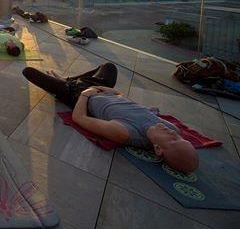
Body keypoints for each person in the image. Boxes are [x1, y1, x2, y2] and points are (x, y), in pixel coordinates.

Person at [22, 63, 199, 173]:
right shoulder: (168, 127)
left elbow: (79, 118)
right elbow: (131, 105)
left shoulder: (125, 133)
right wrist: (115, 92)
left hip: (77, 95)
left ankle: (68, 83)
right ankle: (69, 80)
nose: (173, 131)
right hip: (104, 88)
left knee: (29, 71)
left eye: (173, 139)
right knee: (109, 67)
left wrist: (85, 94)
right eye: (179, 136)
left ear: (158, 149)